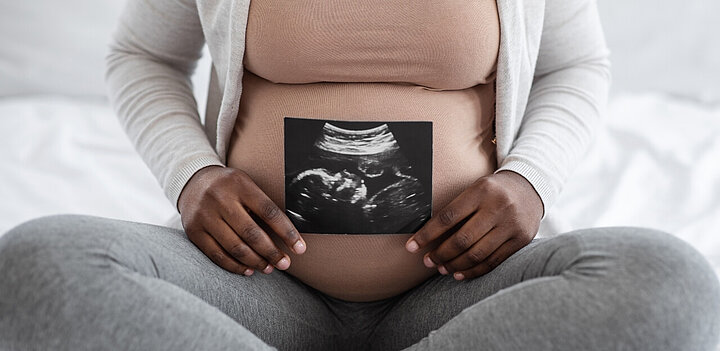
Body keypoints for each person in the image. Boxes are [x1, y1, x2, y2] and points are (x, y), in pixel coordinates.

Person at [1, 0, 719, 350]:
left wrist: (531, 180)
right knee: (40, 263)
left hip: (463, 300)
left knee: (669, 280)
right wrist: (192, 176)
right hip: (250, 293)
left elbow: (577, 66)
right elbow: (142, 56)